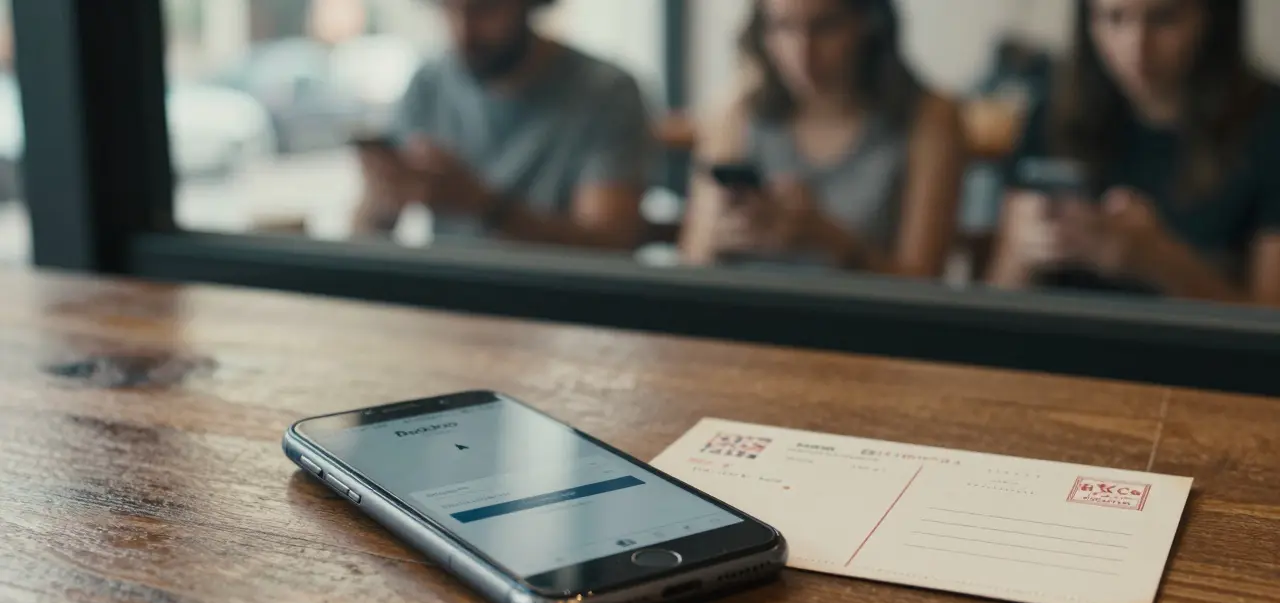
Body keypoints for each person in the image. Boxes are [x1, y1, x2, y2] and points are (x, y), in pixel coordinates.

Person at [990, 0, 1280, 305]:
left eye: (1164, 19)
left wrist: (1161, 262)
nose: (1136, 48)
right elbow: (994, 310)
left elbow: (1269, 329)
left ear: (1213, 17)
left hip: (1195, 352)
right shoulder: (1052, 115)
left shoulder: (1268, 125)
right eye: (1114, 18)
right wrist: (1021, 255)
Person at [680, 0, 965, 276]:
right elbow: (691, 262)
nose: (802, 51)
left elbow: (923, 283)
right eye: (783, 26)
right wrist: (718, 240)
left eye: (825, 27)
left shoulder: (928, 120)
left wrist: (831, 242)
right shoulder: (736, 114)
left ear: (867, 22)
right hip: (746, 315)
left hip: (863, 319)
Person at [354, 0, 654, 250]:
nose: (463, 34)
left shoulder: (606, 92)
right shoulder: (429, 84)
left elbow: (612, 244)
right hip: (450, 306)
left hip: (563, 309)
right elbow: (366, 232)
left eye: (484, 10)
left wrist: (481, 204)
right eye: (449, 10)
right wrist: (384, 195)